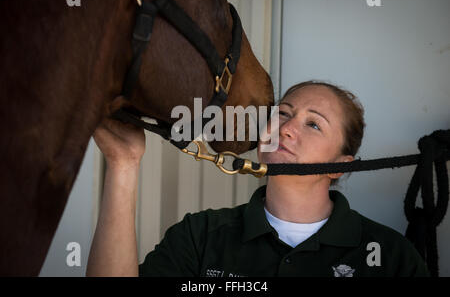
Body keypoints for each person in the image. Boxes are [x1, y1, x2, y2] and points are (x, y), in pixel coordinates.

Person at [86, 81, 430, 277]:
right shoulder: (200, 237)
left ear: (339, 166)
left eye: (313, 124)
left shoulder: (391, 257)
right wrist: (124, 164)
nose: (288, 128)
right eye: (283, 113)